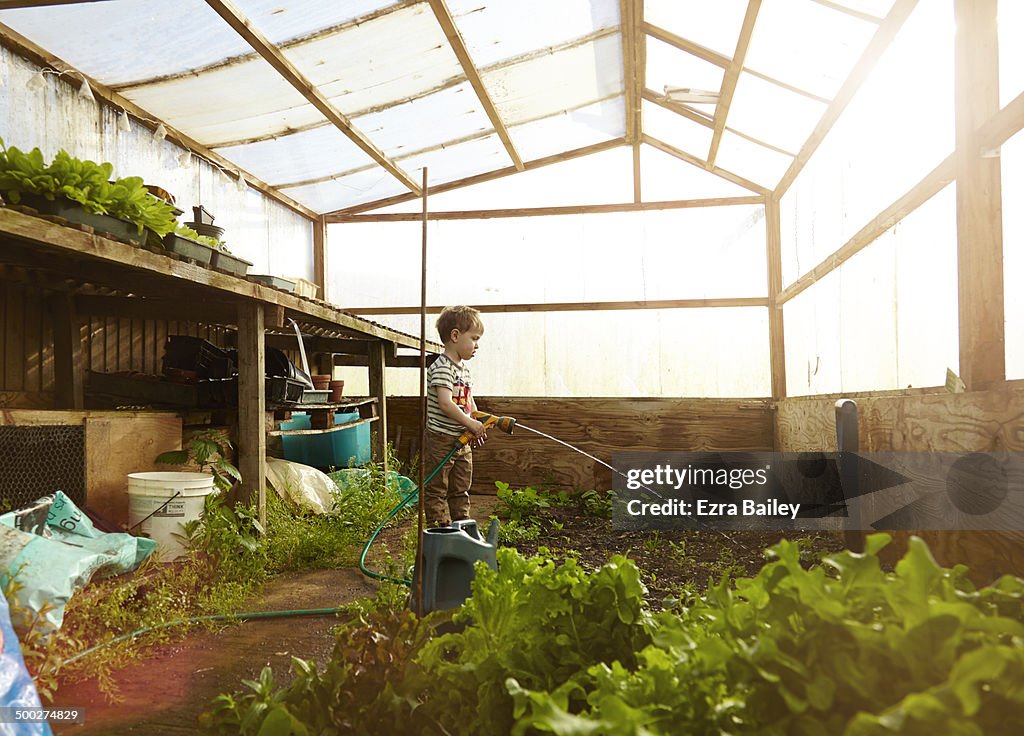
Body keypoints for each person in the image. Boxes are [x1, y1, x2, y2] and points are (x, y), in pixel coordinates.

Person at [424, 305, 487, 526]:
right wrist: (469, 422)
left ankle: (462, 524)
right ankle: (440, 528)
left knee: (461, 486)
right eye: (474, 338)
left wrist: (476, 422)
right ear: (455, 335)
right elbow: (445, 404)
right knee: (437, 487)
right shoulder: (442, 367)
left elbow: (468, 401)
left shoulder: (464, 370)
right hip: (441, 439)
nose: (477, 345)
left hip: (462, 440)